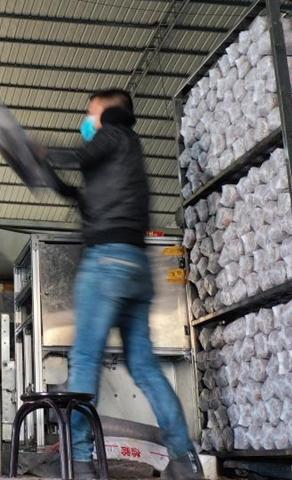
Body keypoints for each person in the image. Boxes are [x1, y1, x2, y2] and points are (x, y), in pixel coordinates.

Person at [45, 89, 203, 479]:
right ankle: (184, 462)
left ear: (107, 110)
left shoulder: (113, 133)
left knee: (84, 359)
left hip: (108, 262)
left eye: (90, 111)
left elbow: (78, 157)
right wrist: (61, 186)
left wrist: (40, 154)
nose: (87, 119)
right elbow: (88, 199)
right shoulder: (126, 150)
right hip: (136, 266)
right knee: (144, 365)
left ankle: (78, 463)